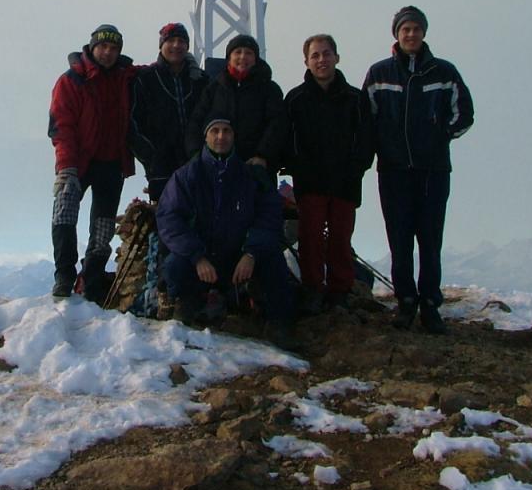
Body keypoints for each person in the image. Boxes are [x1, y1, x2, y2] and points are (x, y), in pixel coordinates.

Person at [361, 6, 473, 334]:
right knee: (399, 240)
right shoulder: (379, 73)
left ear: (424, 32)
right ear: (396, 34)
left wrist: (439, 136)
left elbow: (464, 114)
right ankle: (406, 301)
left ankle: (430, 304)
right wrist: (380, 147)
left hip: (432, 171)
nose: (410, 34)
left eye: (415, 29)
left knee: (430, 240)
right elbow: (366, 119)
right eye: (405, 29)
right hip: (393, 170)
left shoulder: (444, 72)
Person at [157, 117, 298, 350]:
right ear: (206, 137)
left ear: (234, 137)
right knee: (174, 265)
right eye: (215, 131)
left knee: (273, 261)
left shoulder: (251, 176)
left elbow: (270, 216)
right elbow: (169, 218)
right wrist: (197, 257)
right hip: (203, 261)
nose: (221, 136)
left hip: (239, 259)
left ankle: (278, 323)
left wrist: (251, 253)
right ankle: (188, 304)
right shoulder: (187, 175)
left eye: (226, 131)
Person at [284, 34, 373, 315]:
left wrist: (356, 169)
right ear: (306, 62)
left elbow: (366, 140)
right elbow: (288, 141)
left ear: (337, 57)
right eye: (315, 55)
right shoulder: (295, 99)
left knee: (340, 239)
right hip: (310, 184)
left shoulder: (356, 99)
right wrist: (298, 169)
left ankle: (339, 292)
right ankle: (312, 289)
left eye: (326, 54)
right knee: (310, 239)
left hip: (346, 183)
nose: (321, 60)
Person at [48, 24, 138, 301]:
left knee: (103, 227)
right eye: (103, 46)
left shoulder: (126, 78)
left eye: (113, 48)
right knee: (64, 213)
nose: (108, 52)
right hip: (78, 161)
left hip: (111, 164)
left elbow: (156, 70)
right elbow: (61, 125)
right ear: (92, 47)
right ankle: (64, 277)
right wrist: (66, 167)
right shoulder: (71, 81)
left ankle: (92, 279)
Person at [185, 34, 288, 184]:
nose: (243, 57)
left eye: (248, 53)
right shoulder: (213, 89)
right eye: (237, 52)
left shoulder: (269, 89)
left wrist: (263, 156)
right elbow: (196, 121)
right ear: (229, 57)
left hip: (257, 170)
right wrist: (196, 154)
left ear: (256, 58)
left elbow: (277, 125)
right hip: (216, 169)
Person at [129, 23, 209, 202]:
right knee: (166, 214)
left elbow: (210, 116)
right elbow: (133, 122)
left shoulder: (201, 80)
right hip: (160, 167)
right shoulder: (146, 78)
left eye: (181, 41)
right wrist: (150, 157)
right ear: (161, 45)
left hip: (197, 161)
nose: (176, 45)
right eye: (171, 40)